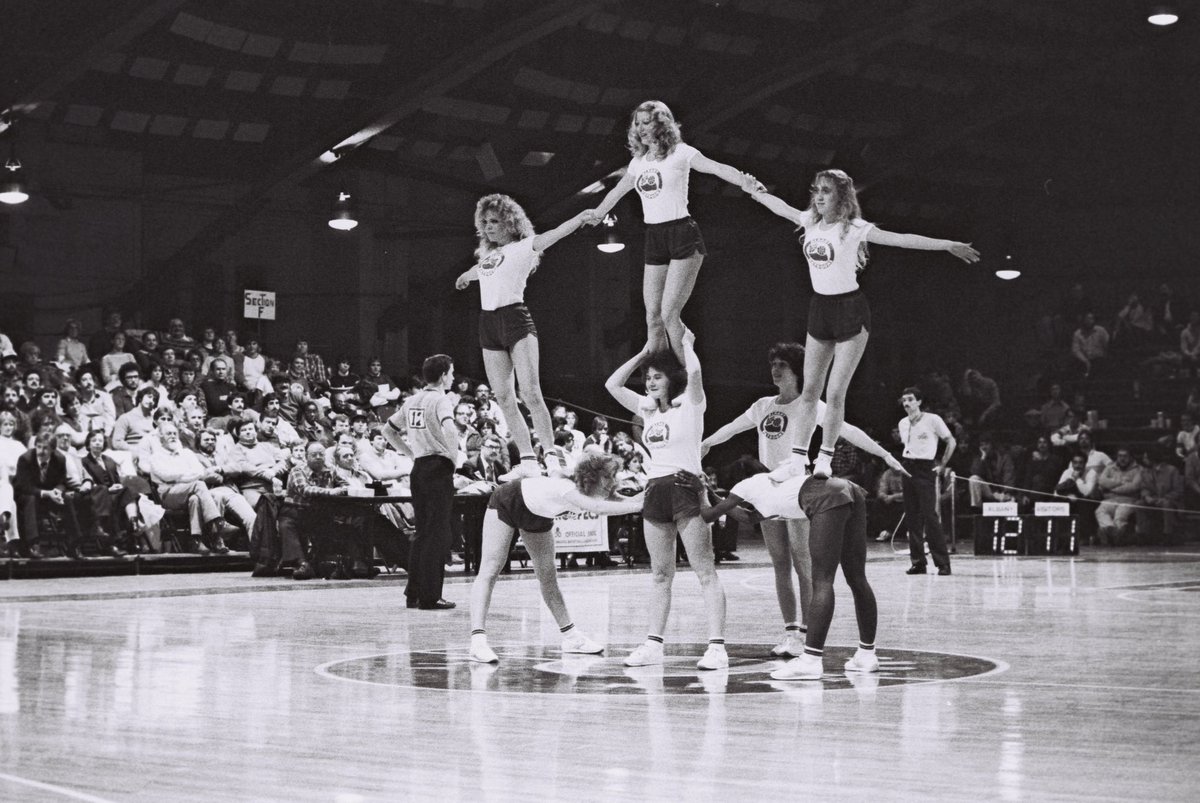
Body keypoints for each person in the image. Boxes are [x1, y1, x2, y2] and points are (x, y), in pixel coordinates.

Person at [745, 169, 979, 479]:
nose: (818, 196)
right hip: (820, 308)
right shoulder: (810, 222)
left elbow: (901, 239)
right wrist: (754, 191)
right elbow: (780, 207)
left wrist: (946, 244)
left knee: (836, 390)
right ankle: (799, 457)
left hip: (850, 310)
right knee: (810, 391)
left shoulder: (853, 228)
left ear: (840, 197)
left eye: (826, 191)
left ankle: (825, 458)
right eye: (816, 190)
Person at [701, 342, 906, 655]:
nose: (775, 370)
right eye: (773, 364)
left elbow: (848, 430)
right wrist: (706, 443)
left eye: (782, 365)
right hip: (767, 490)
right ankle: (791, 634)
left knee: (802, 562)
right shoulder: (762, 405)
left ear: (796, 369)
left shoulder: (810, 405)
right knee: (779, 564)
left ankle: (810, 636)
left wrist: (885, 454)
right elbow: (731, 428)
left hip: (798, 488)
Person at [586, 100, 762, 353]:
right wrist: (598, 212)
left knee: (669, 314)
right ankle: (661, 379)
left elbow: (717, 168)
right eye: (638, 124)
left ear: (661, 123)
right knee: (652, 318)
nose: (641, 129)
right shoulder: (639, 163)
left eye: (647, 123)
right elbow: (617, 191)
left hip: (682, 234)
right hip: (654, 236)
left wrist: (745, 182)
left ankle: (690, 374)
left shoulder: (681, 152)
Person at [605, 327, 728, 670]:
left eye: (657, 376)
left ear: (673, 379)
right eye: (647, 378)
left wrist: (688, 343)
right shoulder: (647, 411)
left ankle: (717, 647)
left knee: (704, 570)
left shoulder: (691, 404)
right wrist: (644, 355)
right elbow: (612, 386)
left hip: (685, 488)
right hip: (655, 491)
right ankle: (653, 644)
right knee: (660, 574)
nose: (649, 382)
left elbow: (696, 373)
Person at [455, 194, 591, 478]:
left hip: (515, 318)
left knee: (529, 392)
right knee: (504, 397)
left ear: (510, 222)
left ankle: (551, 456)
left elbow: (554, 234)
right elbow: (479, 272)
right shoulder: (488, 255)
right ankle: (528, 460)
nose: (489, 227)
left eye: (495, 221)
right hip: (488, 322)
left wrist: (580, 218)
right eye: (485, 222)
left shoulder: (524, 247)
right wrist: (466, 276)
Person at [700, 471, 880, 681]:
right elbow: (748, 517)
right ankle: (867, 655)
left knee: (822, 580)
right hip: (849, 488)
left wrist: (702, 492)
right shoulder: (768, 493)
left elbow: (709, 515)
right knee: (857, 578)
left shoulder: (744, 485)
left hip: (822, 494)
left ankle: (811, 660)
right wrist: (713, 494)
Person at [467, 454, 645, 663]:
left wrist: (654, 491)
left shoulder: (597, 491)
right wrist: (638, 506)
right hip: (508, 500)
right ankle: (477, 641)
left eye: (613, 476)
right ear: (591, 476)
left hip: (539, 515)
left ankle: (571, 638)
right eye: (607, 476)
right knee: (490, 570)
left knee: (548, 576)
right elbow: (598, 509)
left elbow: (632, 501)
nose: (612, 482)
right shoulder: (567, 487)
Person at [384, 354, 460, 610]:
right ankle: (430, 596)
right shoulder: (441, 400)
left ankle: (413, 593)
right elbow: (450, 429)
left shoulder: (412, 400)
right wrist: (452, 458)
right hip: (438, 468)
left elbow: (388, 430)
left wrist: (409, 453)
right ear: (442, 375)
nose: (453, 377)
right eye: (451, 372)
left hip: (419, 468)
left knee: (423, 532)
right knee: (438, 534)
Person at [897, 386, 956, 575]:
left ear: (919, 402)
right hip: (908, 467)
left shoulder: (933, 419)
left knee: (930, 516)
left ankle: (943, 563)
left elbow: (951, 441)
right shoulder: (902, 423)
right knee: (912, 516)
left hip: (925, 468)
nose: (906, 403)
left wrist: (943, 465)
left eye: (910, 399)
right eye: (904, 400)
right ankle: (918, 562)